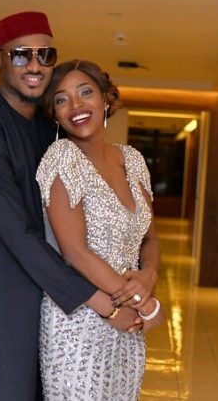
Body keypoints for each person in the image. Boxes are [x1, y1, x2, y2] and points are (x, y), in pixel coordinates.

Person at [0, 12, 153, 401]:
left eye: (45, 55)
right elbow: (18, 234)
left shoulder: (50, 129)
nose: (35, 66)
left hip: (48, 294)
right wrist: (105, 304)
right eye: (21, 54)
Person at [36, 60, 164, 400]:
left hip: (128, 324)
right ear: (55, 114)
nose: (75, 106)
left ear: (106, 99)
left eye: (85, 92)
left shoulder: (132, 159)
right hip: (81, 321)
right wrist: (141, 303)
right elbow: (74, 252)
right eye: (61, 99)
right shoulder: (62, 157)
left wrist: (148, 277)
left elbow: (150, 238)